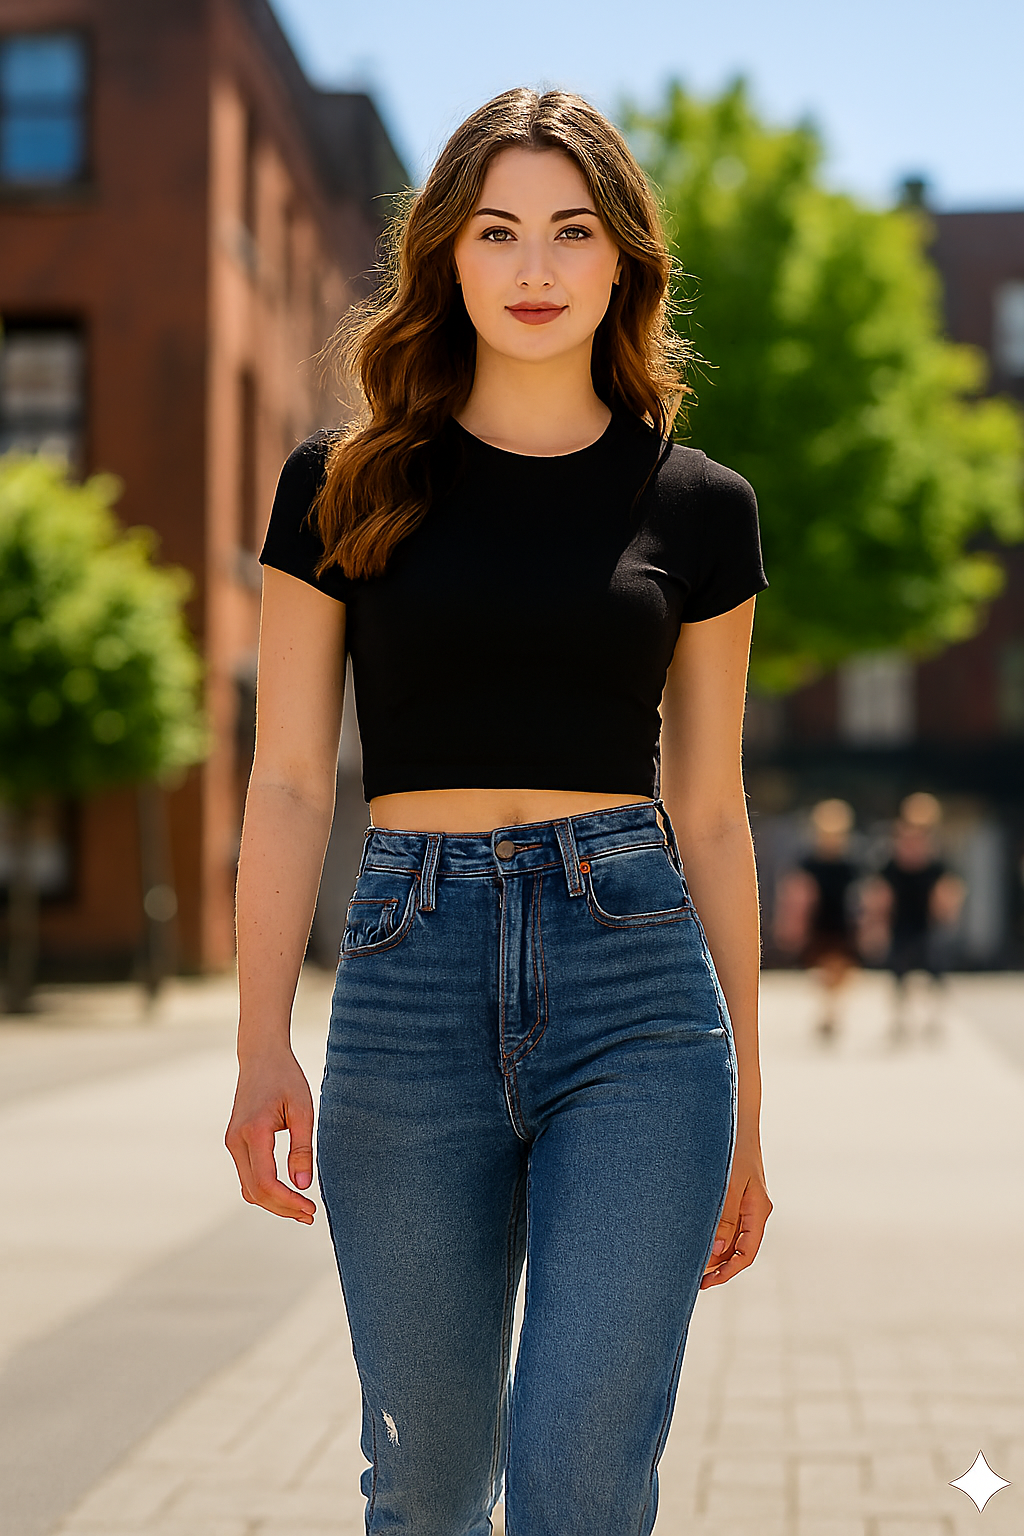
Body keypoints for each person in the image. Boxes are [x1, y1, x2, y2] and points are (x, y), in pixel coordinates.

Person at [226, 87, 773, 1536]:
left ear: (622, 264)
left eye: (572, 233)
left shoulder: (700, 507)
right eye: (499, 232)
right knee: (425, 1481)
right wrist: (257, 1042)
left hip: (640, 996)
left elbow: (711, 815)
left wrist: (756, 1117)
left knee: (583, 1484)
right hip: (408, 985)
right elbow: (285, 782)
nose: (536, 270)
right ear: (448, 261)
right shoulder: (339, 487)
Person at [874, 792, 965, 1044]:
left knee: (935, 966)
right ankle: (900, 1017)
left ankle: (934, 1016)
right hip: (902, 919)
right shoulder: (894, 856)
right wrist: (878, 920)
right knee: (899, 969)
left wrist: (948, 911)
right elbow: (883, 889)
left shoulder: (937, 858)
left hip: (927, 920)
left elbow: (949, 887)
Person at [773, 798, 861, 1043]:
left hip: (843, 923)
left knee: (840, 971)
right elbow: (793, 897)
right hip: (818, 923)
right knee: (826, 970)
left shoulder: (850, 864)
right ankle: (829, 1012)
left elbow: (863, 898)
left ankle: (831, 1012)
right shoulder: (808, 862)